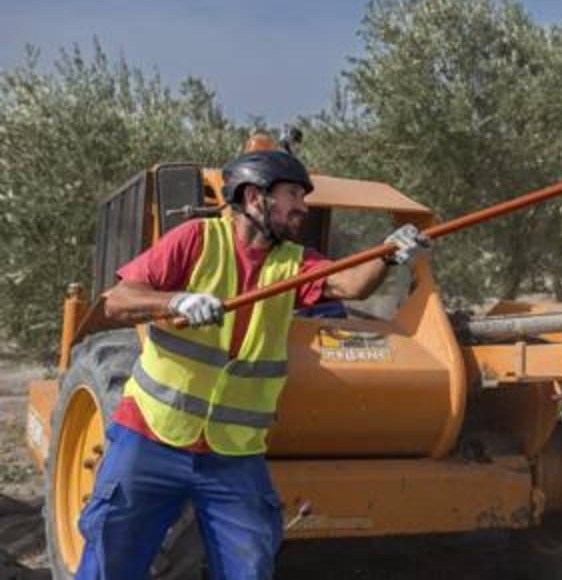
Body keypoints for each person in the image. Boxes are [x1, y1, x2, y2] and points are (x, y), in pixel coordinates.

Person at [74, 149, 429, 580]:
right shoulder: (195, 239)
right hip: (150, 439)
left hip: (232, 456)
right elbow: (118, 301)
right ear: (254, 197)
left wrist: (389, 253)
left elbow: (349, 283)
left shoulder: (293, 262)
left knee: (250, 569)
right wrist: (176, 300)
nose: (302, 206)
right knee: (110, 563)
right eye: (292, 194)